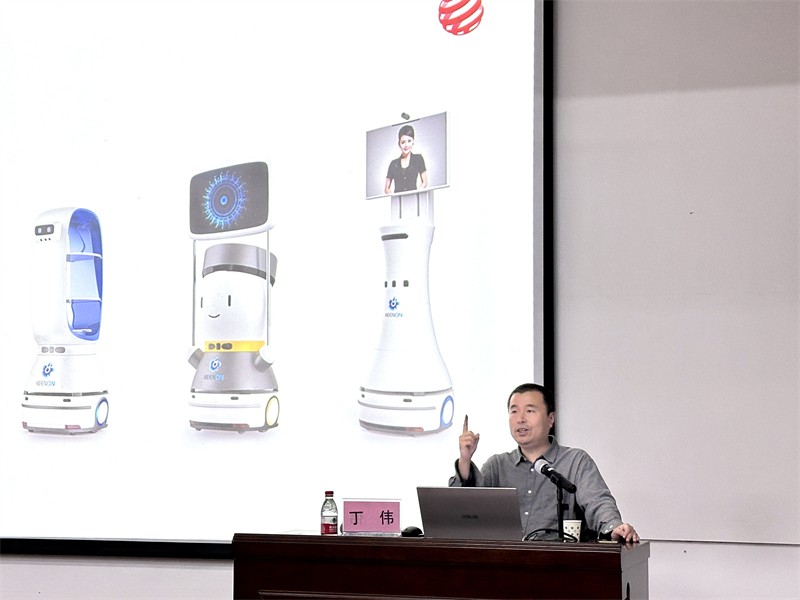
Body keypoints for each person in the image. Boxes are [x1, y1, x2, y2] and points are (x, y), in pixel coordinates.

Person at [449, 382, 639, 543]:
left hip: (560, 565)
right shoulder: (497, 466)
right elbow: (465, 511)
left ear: (550, 419)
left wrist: (614, 527)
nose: (520, 419)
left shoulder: (575, 461)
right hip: (505, 564)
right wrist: (465, 459)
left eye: (530, 411)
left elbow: (598, 502)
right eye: (514, 411)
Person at [384, 124, 428, 195]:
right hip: (397, 200)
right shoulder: (393, 164)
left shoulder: (418, 159)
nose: (406, 145)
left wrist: (416, 193)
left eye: (409, 141)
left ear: (413, 141)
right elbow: (386, 189)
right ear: (399, 144)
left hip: (413, 198)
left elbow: (425, 182)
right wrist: (396, 196)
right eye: (403, 142)